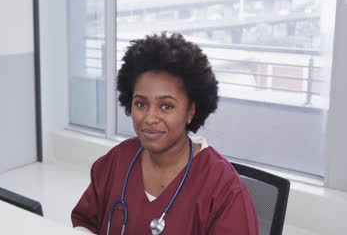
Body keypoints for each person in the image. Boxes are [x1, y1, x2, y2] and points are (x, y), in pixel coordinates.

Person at [71, 33, 258, 234]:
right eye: (141, 104)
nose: (150, 118)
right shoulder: (117, 160)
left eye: (166, 106)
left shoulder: (223, 188)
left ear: (190, 111)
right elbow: (85, 222)